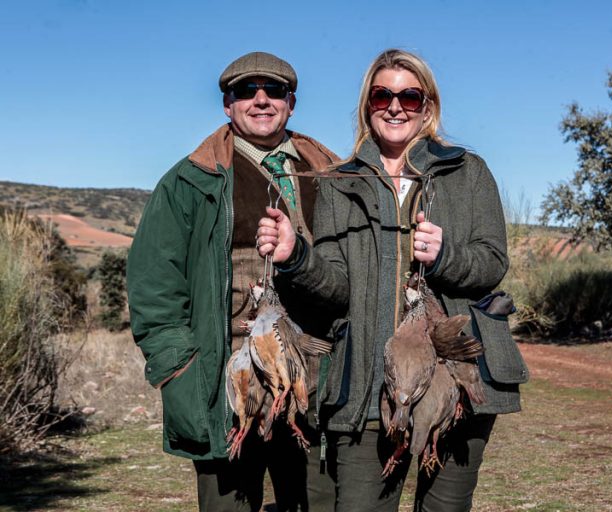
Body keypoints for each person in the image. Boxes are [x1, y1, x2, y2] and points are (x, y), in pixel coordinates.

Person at [257, 49, 528, 511]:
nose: (396, 107)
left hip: (455, 383)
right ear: (368, 106)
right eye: (383, 96)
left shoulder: (468, 172)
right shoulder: (340, 182)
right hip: (366, 384)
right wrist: (295, 256)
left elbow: (491, 263)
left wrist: (446, 256)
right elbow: (336, 288)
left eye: (409, 96)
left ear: (429, 105)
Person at [127, 51, 338, 511]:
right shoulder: (189, 182)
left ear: (292, 102)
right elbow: (153, 287)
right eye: (246, 91)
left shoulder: (333, 175)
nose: (260, 101)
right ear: (228, 104)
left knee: (320, 504)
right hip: (227, 379)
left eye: (274, 91)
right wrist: (180, 370)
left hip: (315, 382)